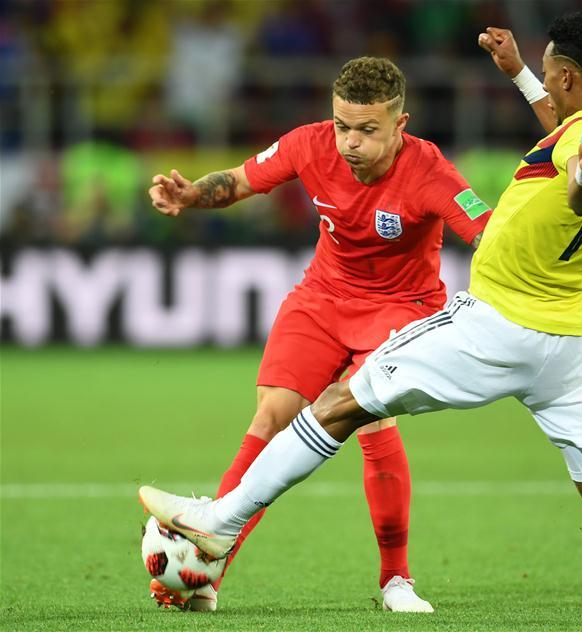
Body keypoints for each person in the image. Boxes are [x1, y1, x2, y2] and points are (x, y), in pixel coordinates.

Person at [140, 12, 582, 623]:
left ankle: (222, 523)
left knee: (340, 404)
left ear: (569, 78)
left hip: (497, 321)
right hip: (571, 339)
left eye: (548, 70)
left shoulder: (568, 151)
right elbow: (567, 131)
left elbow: (577, 179)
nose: (544, 78)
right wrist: (519, 74)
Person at [145, 56, 495, 612]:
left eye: (367, 130)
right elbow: (239, 181)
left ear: (400, 124)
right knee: (270, 418)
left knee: (371, 420)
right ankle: (209, 571)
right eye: (342, 125)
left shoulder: (431, 171)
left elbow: (490, 236)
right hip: (322, 298)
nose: (350, 142)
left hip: (399, 309)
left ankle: (396, 581)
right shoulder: (309, 144)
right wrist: (190, 196)